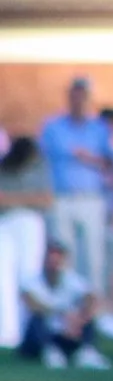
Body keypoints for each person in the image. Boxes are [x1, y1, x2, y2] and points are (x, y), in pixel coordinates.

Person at [39, 77, 113, 294]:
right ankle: (65, 301)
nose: (79, 100)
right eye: (75, 95)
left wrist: (88, 158)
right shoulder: (53, 127)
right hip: (62, 197)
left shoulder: (100, 129)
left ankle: (93, 304)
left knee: (93, 255)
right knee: (63, 253)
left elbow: (112, 164)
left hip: (91, 198)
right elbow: (42, 160)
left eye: (83, 95)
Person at [17, 238, 106, 368]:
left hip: (66, 332)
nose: (54, 262)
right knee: (37, 320)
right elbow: (32, 304)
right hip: (39, 336)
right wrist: (63, 316)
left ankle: (87, 351)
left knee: (89, 318)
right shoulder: (31, 280)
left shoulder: (71, 280)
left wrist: (80, 316)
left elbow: (91, 297)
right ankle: (49, 352)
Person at [0, 137, 52, 351]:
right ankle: (8, 333)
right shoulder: (4, 167)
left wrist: (15, 200)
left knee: (28, 276)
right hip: (6, 223)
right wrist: (26, 199)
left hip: (30, 223)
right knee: (4, 277)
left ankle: (32, 331)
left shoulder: (39, 168)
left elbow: (46, 199)